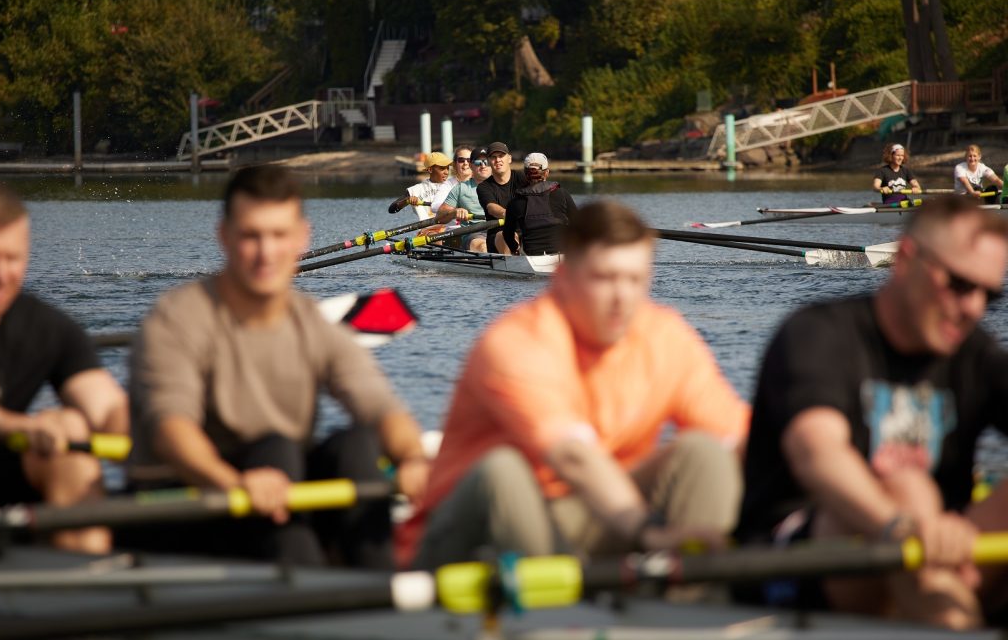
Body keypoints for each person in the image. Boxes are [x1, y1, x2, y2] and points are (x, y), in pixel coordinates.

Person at [399, 200, 749, 570]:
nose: (622, 299)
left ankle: (696, 598)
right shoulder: (519, 340)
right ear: (564, 276)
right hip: (467, 533)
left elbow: (741, 437)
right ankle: (557, 615)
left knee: (704, 453)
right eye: (603, 279)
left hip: (591, 513)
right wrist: (646, 533)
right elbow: (572, 456)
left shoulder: (665, 335)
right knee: (502, 471)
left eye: (634, 280)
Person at [128, 165, 429, 567]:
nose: (266, 253)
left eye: (278, 235)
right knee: (277, 448)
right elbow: (171, 430)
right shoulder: (176, 317)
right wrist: (235, 483)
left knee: (357, 445)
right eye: (251, 236)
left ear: (302, 238)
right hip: (187, 503)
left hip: (272, 491)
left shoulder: (310, 321)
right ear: (224, 236)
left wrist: (411, 457)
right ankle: (312, 588)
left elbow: (377, 404)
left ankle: (378, 583)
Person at [735, 195, 1008, 629]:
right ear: (906, 260)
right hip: (797, 557)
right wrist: (902, 527)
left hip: (933, 549)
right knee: (906, 487)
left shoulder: (974, 354)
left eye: (989, 295)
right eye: (959, 284)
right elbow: (818, 455)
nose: (974, 307)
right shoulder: (819, 335)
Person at [0, 179, 128, 554]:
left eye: (12, 259)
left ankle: (87, 581)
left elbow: (107, 406)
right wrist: (8, 423)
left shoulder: (44, 327)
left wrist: (150, 436)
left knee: (68, 428)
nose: (0, 275)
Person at [503, 153, 577, 256]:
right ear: (547, 172)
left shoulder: (515, 202)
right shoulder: (561, 193)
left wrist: (514, 248)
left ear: (525, 174)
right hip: (563, 254)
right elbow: (578, 222)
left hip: (532, 258)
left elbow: (507, 234)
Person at [476, 141, 528, 254]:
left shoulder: (523, 178)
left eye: (501, 156)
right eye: (493, 157)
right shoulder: (483, 187)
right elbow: (491, 208)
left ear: (509, 158)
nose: (498, 160)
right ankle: (513, 265)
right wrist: (509, 215)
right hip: (498, 234)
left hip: (525, 230)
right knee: (505, 235)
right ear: (489, 162)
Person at [436, 146, 490, 252]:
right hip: (474, 232)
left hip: (500, 229)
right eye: (478, 162)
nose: (483, 165)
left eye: (486, 161)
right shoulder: (459, 188)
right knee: (484, 247)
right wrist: (454, 212)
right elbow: (439, 217)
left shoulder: (504, 184)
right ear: (472, 166)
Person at [388, 152, 452, 222]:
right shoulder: (415, 190)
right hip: (427, 230)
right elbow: (392, 210)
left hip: (450, 227)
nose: (446, 172)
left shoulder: (453, 186)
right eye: (442, 168)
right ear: (430, 169)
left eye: (447, 168)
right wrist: (407, 200)